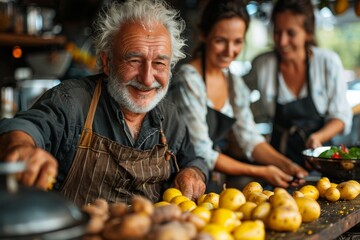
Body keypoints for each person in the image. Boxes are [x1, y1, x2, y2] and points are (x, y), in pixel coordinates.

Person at [0, 0, 208, 206]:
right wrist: (21, 147)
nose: (147, 78)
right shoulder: (72, 101)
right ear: (107, 62)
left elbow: (192, 159)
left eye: (159, 63)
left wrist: (193, 173)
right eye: (134, 60)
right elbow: (27, 127)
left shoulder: (169, 117)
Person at [168, 0, 308, 192]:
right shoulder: (189, 80)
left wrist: (286, 164)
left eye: (237, 42)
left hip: (211, 179)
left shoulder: (234, 83)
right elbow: (201, 151)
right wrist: (262, 171)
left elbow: (249, 137)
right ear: (204, 35)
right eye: (220, 41)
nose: (229, 51)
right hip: (182, 179)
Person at [243, 0, 353, 167]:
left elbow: (341, 117)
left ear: (308, 33)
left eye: (291, 33)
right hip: (278, 161)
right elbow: (235, 95)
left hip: (321, 157)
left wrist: (317, 137)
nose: (282, 41)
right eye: (277, 32)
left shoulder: (327, 62)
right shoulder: (263, 64)